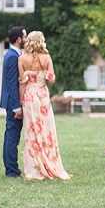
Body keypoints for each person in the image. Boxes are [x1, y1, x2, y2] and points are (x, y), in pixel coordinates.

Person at [19, 31, 70, 180]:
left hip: (29, 96)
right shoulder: (46, 57)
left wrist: (21, 101)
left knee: (31, 132)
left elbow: (22, 82)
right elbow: (51, 78)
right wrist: (42, 75)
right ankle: (50, 163)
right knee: (47, 130)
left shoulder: (22, 58)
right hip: (42, 96)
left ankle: (33, 168)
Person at [0, 26, 26, 178]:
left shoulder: (14, 54)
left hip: (12, 102)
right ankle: (11, 170)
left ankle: (11, 168)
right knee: (12, 136)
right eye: (25, 36)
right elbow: (11, 84)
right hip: (12, 103)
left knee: (11, 135)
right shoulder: (12, 57)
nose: (26, 39)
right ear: (18, 40)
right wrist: (17, 107)